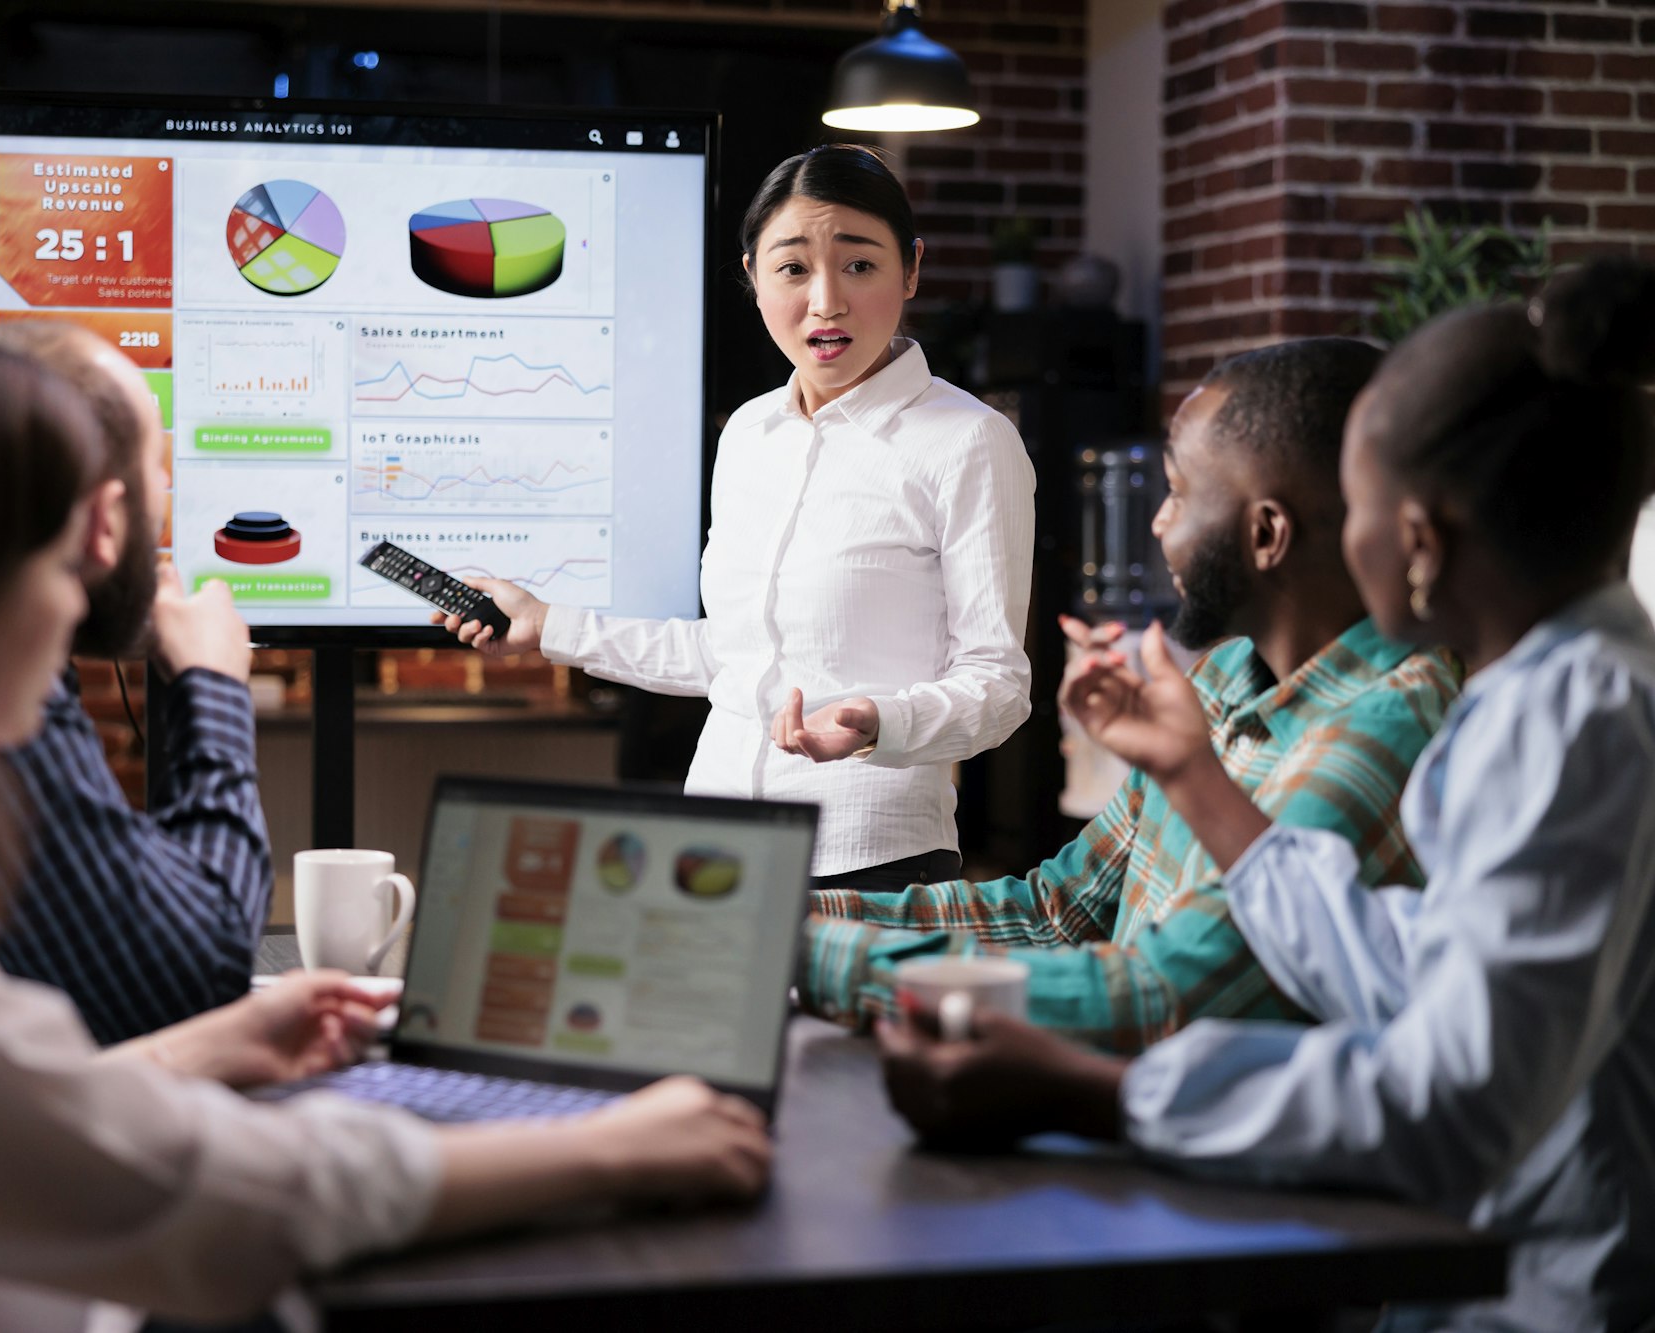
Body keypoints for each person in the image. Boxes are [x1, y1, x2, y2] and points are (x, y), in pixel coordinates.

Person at [0, 324, 771, 1333]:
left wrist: (199, 1051)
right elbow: (234, 1204)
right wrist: (604, 1149)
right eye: (56, 563)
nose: (72, 607)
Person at [879, 259, 1655, 1332]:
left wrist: (1096, 1096)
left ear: (1416, 544)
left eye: (1360, 510)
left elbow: (1453, 1103)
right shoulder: (1561, 685)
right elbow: (1413, 967)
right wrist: (1191, 771)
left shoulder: (1565, 721)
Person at [802, 338, 1460, 1052]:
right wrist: (791, 911)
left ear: (1266, 533)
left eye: (1177, 492)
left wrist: (812, 956)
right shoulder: (1225, 675)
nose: (1157, 523)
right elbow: (1055, 913)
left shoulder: (1382, 729)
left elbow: (1156, 996)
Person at [435, 144, 1035, 891]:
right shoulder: (750, 433)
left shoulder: (968, 440)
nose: (826, 301)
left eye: (859, 265)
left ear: (910, 268)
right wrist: (546, 625)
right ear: (753, 275)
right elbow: (733, 656)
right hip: (711, 851)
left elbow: (999, 684)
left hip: (870, 862)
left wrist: (878, 721)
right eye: (792, 268)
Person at [0, 321, 272, 1045]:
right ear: (106, 520)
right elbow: (193, 973)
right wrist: (213, 685)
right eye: (157, 469)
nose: (165, 495)